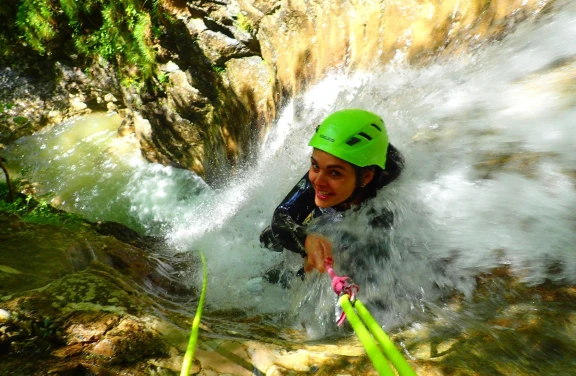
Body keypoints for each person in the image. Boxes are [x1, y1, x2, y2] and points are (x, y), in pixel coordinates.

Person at [260, 109, 404, 281]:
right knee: (270, 237)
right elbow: (282, 217)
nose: (318, 181)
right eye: (315, 165)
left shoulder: (384, 195)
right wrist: (304, 240)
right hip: (349, 187)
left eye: (334, 173)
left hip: (359, 199)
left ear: (366, 177)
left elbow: (375, 272)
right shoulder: (329, 172)